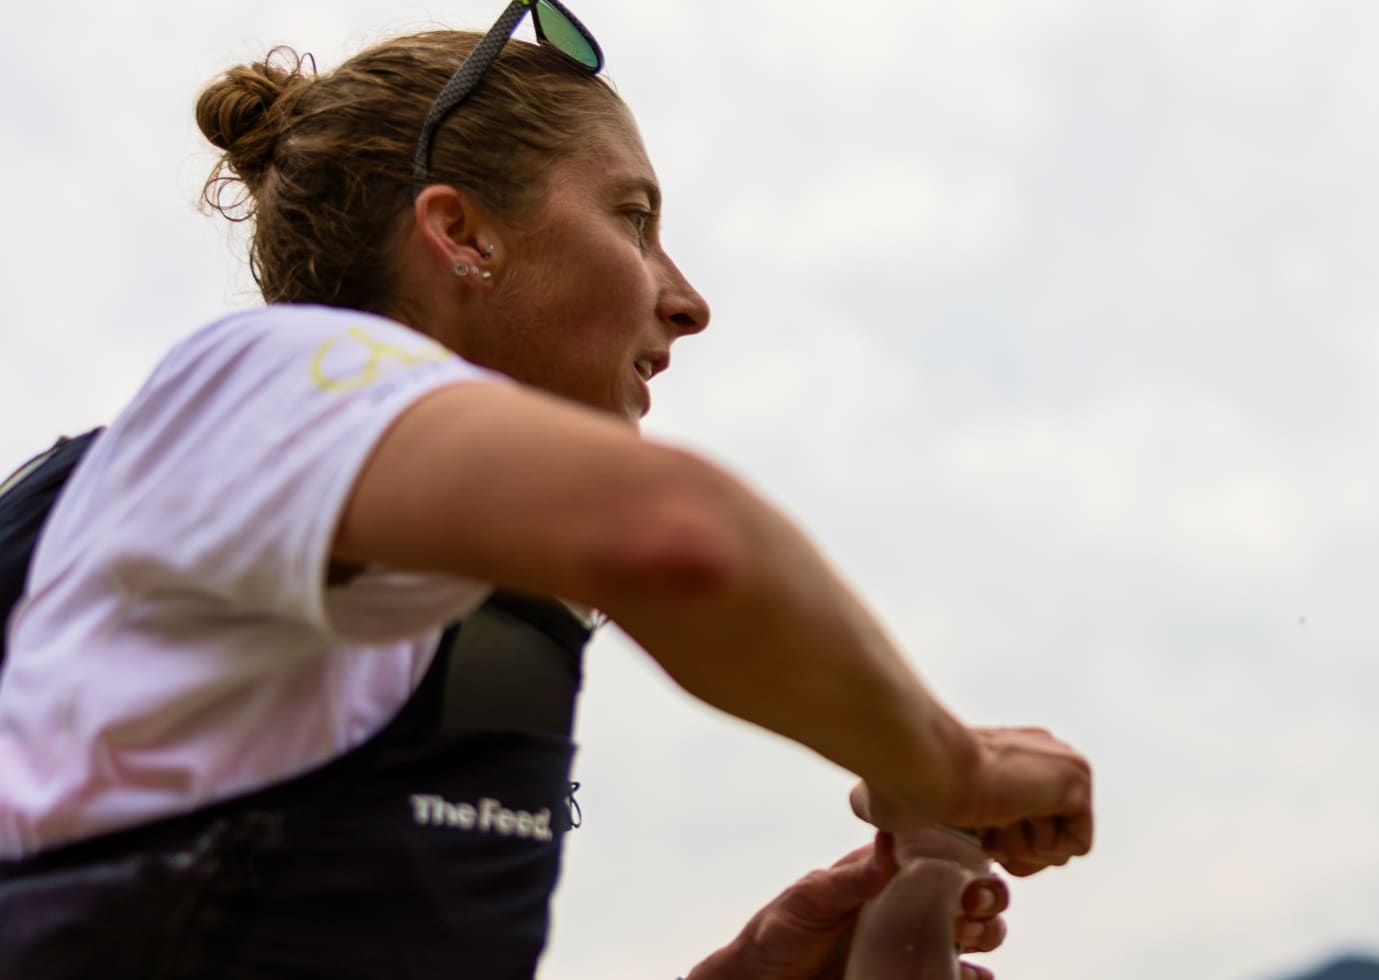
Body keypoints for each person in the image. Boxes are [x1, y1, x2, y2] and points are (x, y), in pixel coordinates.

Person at [0, 3, 1091, 977]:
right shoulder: (259, 381)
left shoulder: (462, 611)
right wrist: (953, 763)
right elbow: (682, 539)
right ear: (460, 230)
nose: (687, 299)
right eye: (633, 218)